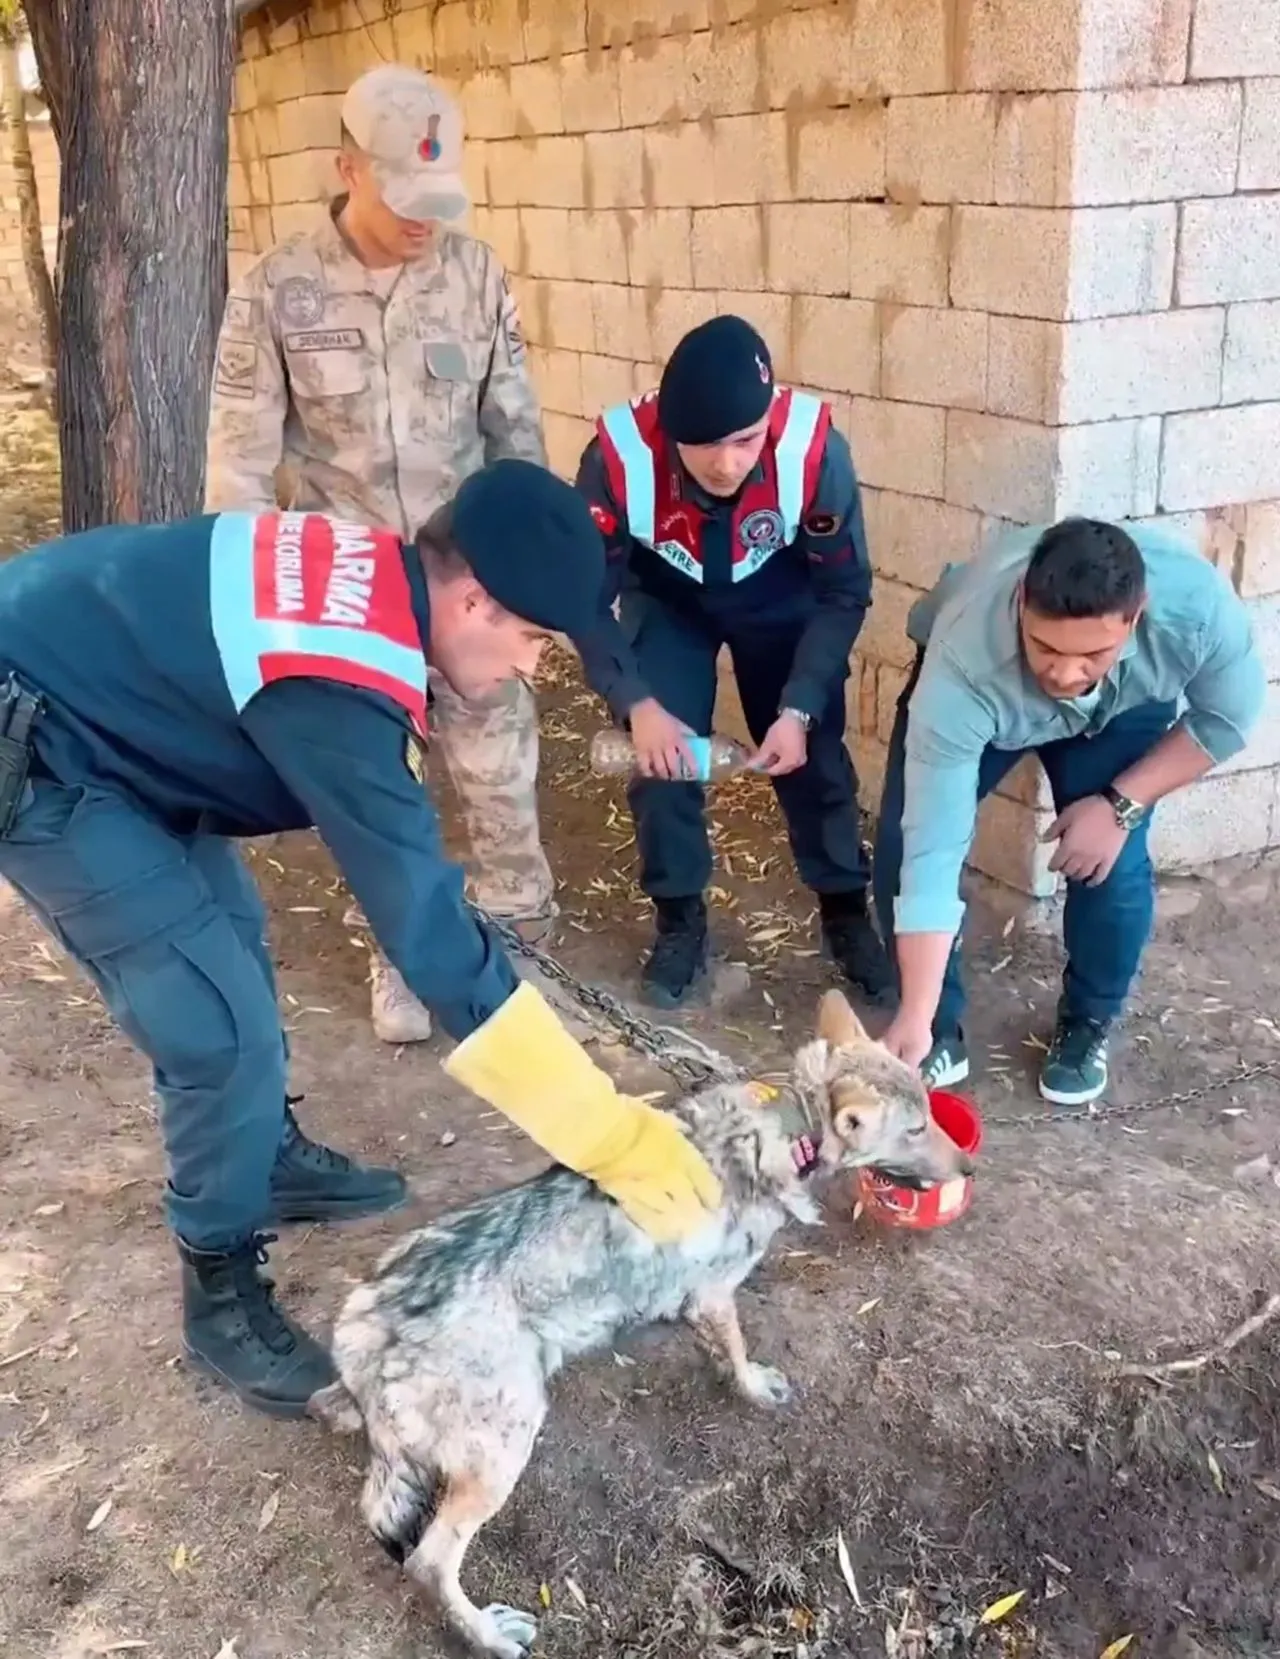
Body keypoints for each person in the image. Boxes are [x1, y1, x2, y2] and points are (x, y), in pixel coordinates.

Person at [0, 461, 722, 1419]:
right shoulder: (340, 682)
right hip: (45, 750)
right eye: (534, 640)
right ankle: (218, 1289)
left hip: (115, 717)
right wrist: (606, 1132)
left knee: (233, 936)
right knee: (215, 1026)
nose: (532, 668)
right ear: (473, 600)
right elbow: (427, 934)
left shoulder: (384, 585)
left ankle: (259, 1156)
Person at [206, 62, 556, 1047]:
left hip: (467, 589)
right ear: (348, 169)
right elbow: (239, 469)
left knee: (497, 768)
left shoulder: (475, 276)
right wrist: (248, 615)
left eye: (439, 199)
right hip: (347, 597)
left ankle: (521, 938)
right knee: (372, 786)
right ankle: (400, 953)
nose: (423, 222)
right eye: (405, 196)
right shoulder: (276, 291)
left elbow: (515, 437)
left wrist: (527, 578)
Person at [873, 517, 1266, 1106]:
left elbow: (1227, 720)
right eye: (1046, 647)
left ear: (1135, 618)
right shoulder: (961, 663)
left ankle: (1087, 1024)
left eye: (1091, 652)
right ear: (1021, 601)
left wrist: (1120, 805)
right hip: (990, 698)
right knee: (903, 847)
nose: (1063, 673)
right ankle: (934, 1028)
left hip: (1122, 706)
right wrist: (915, 1012)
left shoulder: (1197, 610)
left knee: (1113, 864)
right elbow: (932, 845)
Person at [573, 315, 892, 1010]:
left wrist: (799, 706)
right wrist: (635, 702)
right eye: (704, 446)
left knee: (814, 758)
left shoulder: (815, 452)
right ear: (669, 432)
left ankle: (845, 910)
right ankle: (679, 917)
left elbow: (843, 591)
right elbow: (584, 600)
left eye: (746, 441)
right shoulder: (615, 459)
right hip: (669, 596)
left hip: (778, 592)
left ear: (768, 419)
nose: (726, 464)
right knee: (661, 763)